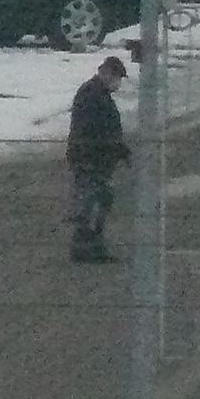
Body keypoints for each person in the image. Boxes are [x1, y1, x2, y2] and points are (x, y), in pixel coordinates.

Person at [66, 55, 130, 264]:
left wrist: (118, 148)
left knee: (99, 199)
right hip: (90, 159)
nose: (117, 82)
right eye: (116, 76)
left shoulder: (97, 94)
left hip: (96, 158)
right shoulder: (91, 94)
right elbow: (94, 130)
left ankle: (92, 245)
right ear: (105, 72)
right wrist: (113, 148)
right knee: (91, 200)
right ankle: (85, 247)